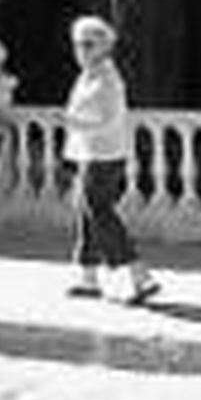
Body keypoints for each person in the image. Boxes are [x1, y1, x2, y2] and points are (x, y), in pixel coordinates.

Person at [63, 15, 159, 305]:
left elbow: (106, 119)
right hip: (89, 153)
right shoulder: (88, 76)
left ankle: (140, 275)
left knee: (100, 213)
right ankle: (88, 276)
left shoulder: (107, 79)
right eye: (78, 44)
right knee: (86, 212)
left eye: (89, 44)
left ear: (104, 47)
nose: (82, 51)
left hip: (103, 155)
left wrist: (73, 121)